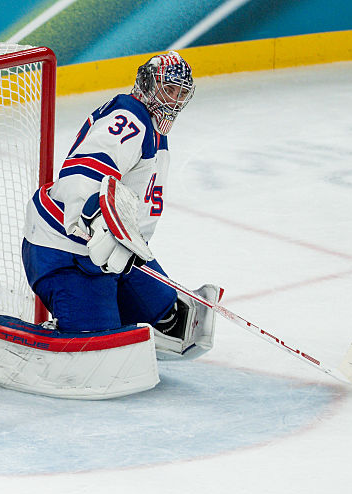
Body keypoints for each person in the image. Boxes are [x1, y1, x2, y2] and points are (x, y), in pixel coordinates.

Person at [21, 51, 217, 358]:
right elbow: (84, 172)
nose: (174, 101)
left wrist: (127, 244)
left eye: (181, 93)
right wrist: (94, 221)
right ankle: (40, 331)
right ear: (148, 84)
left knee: (170, 317)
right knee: (98, 349)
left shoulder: (154, 132)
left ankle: (103, 306)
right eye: (168, 89)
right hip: (64, 250)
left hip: (110, 253)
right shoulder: (129, 117)